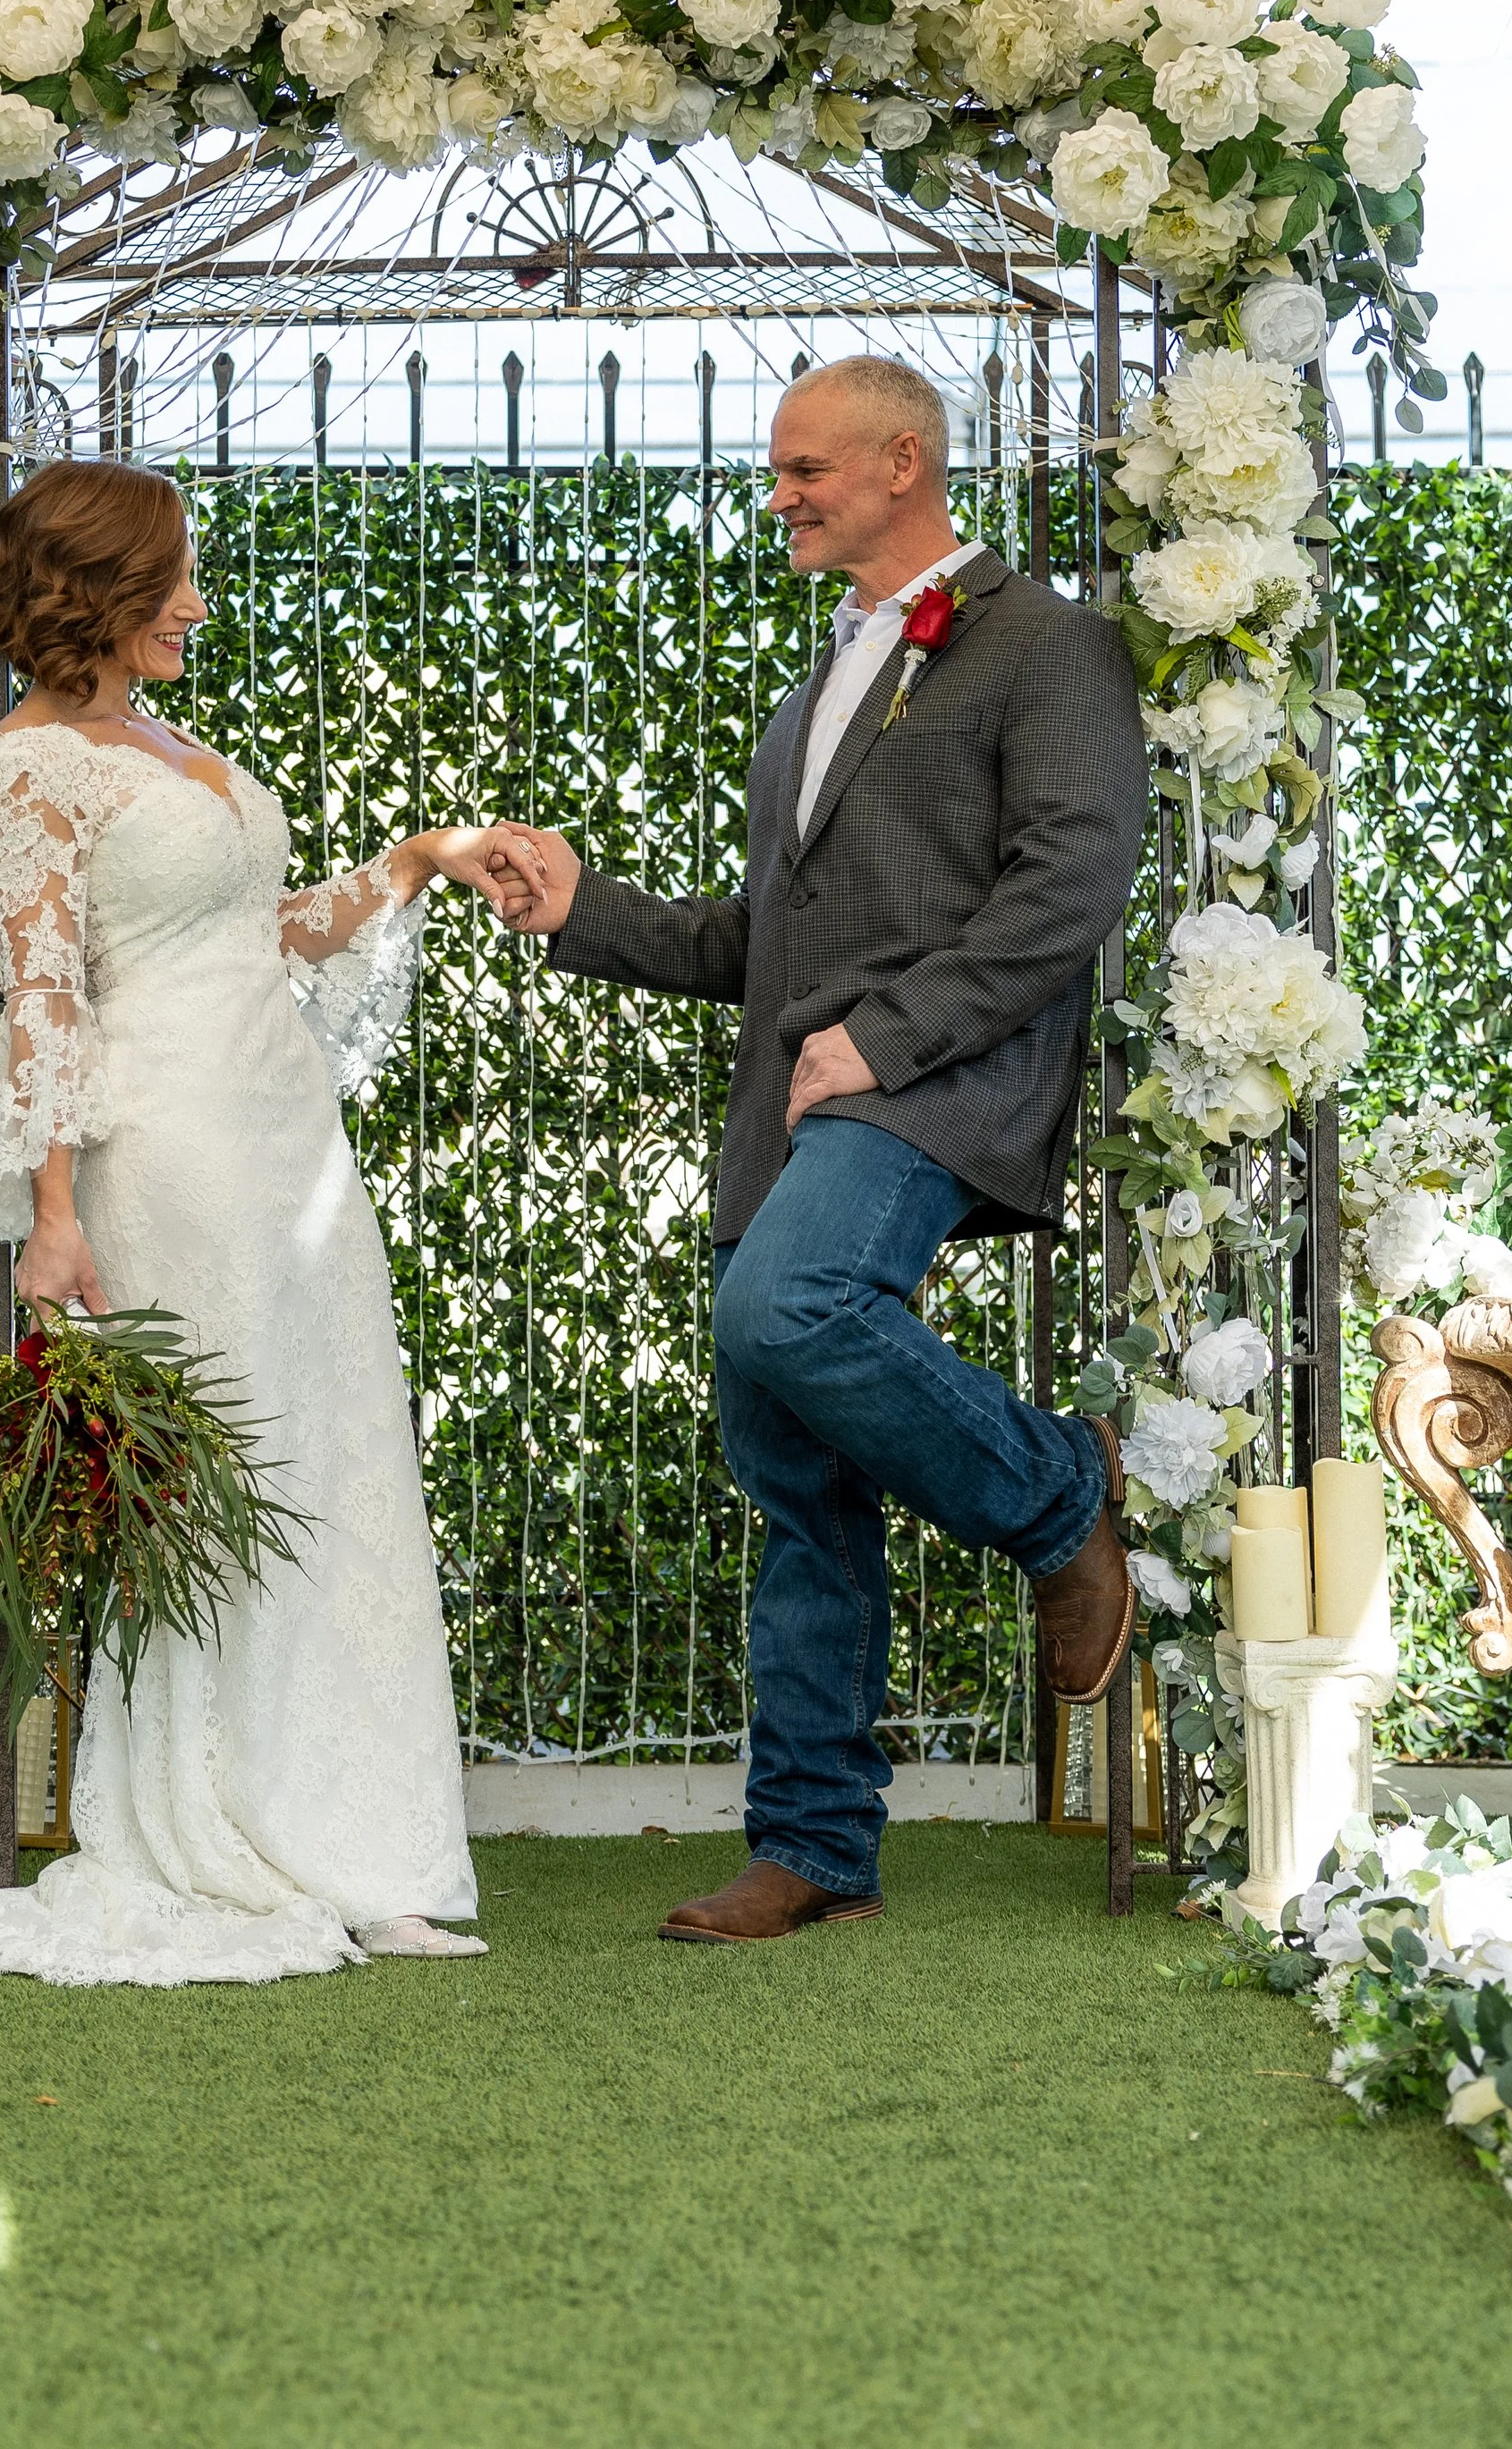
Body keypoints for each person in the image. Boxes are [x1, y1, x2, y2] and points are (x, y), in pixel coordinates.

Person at [491, 355, 1148, 1947]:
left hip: (932, 1085)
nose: (778, 493)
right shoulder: (822, 681)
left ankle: (1060, 1499)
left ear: (906, 461)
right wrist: (586, 913)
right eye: (778, 471)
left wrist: (888, 1039)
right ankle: (813, 1846)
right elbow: (775, 943)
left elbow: (1071, 886)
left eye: (805, 469)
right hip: (796, 1105)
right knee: (797, 1482)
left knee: (789, 1307)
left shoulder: (1043, 641)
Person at [0, 458, 542, 1987]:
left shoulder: (160, 740)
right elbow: (45, 994)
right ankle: (220, 1830)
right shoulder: (31, 765)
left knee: (331, 1457)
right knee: (221, 1484)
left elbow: (268, 932)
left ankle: (365, 1845)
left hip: (285, 1136)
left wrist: (423, 857)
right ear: (91, 589)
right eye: (170, 577)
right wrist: (50, 1213)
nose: (197, 600)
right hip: (161, 1147)